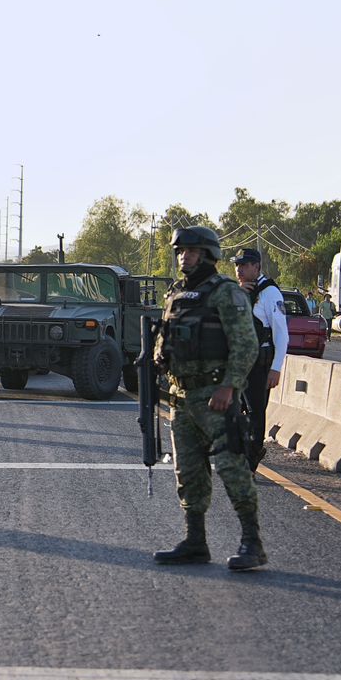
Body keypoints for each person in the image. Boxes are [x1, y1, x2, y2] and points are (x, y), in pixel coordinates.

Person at [152, 227, 265, 571]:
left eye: (191, 252)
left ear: (208, 255)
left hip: (216, 396)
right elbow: (166, 336)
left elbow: (246, 345)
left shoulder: (225, 293)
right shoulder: (176, 294)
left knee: (232, 468)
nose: (184, 257)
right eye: (181, 252)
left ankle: (252, 542)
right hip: (182, 397)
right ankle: (195, 541)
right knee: (187, 472)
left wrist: (229, 387)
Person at [231, 246, 287, 470]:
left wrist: (276, 368)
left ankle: (251, 458)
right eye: (237, 265)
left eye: (244, 265)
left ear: (257, 267)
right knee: (235, 411)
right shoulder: (239, 291)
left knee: (255, 412)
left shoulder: (270, 293)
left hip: (258, 363)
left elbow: (281, 334)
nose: (240, 269)